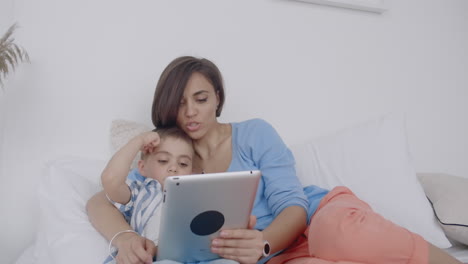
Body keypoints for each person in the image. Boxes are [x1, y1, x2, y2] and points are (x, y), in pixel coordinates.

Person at [87, 56, 462, 264]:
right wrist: (124, 237)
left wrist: (263, 243)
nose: (190, 112)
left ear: (217, 97)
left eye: (200, 99)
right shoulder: (170, 160)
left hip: (315, 219)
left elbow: (294, 204)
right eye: (179, 103)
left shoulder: (253, 133)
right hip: (272, 259)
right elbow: (101, 199)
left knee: (340, 236)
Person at [100, 126, 238, 264]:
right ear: (142, 168)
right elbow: (110, 179)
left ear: (191, 172)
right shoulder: (141, 192)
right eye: (163, 161)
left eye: (183, 164)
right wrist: (139, 140)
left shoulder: (197, 198)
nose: (174, 168)